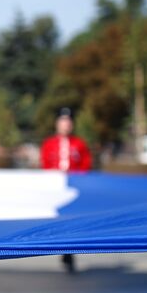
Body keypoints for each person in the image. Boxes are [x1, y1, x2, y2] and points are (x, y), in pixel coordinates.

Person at [40, 107, 93, 273]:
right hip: (56, 187)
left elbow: (86, 164)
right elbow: (45, 164)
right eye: (63, 121)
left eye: (69, 121)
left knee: (71, 221)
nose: (66, 124)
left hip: (73, 188)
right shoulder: (49, 144)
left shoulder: (79, 144)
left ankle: (68, 251)